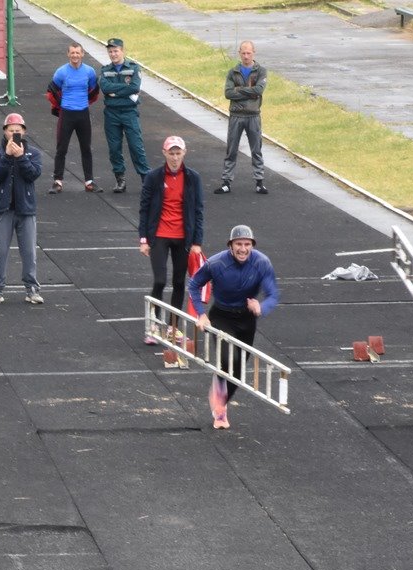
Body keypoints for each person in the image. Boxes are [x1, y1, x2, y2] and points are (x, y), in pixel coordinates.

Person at [188, 225, 279, 430]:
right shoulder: (216, 263)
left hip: (246, 319)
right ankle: (219, 411)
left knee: (237, 371)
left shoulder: (261, 263)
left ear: (252, 246)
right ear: (230, 245)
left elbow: (273, 294)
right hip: (221, 316)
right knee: (230, 359)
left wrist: (260, 306)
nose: (243, 249)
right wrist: (201, 313)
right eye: (239, 244)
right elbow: (194, 284)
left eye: (247, 244)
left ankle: (221, 402)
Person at [139, 136, 204, 345]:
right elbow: (144, 208)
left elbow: (198, 211)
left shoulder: (193, 178)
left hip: (183, 238)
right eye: (171, 153)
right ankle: (154, 324)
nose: (175, 158)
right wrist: (143, 239)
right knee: (159, 280)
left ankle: (174, 327)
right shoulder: (153, 177)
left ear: (184, 153)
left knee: (178, 282)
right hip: (159, 235)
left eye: (178, 153)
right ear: (164, 153)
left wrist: (197, 242)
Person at [0, 112, 44, 305]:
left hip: (26, 209)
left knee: (29, 251)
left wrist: (20, 158)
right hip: (4, 209)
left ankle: (32, 288)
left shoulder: (33, 153)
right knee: (0, 250)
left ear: (24, 131)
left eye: (17, 131)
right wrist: (7, 157)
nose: (14, 134)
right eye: (11, 130)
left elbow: (33, 174)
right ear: (5, 132)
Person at [46, 43, 102, 194]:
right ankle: (58, 182)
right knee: (61, 148)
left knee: (86, 148)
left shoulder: (89, 72)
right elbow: (51, 91)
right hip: (67, 114)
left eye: (78, 53)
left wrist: (83, 103)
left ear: (82, 54)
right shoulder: (61, 72)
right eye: (72, 53)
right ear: (68, 54)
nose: (75, 55)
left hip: (83, 113)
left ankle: (89, 182)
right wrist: (61, 106)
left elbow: (94, 91)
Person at [215, 41, 268, 195]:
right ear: (239, 53)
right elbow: (228, 93)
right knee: (231, 149)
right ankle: (226, 182)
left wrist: (239, 89)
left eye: (249, 53)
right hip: (236, 116)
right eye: (243, 53)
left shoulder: (261, 71)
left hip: (253, 116)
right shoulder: (233, 72)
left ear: (254, 53)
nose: (246, 56)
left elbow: (259, 90)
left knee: (256, 149)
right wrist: (249, 91)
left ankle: (259, 182)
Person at [99, 38, 150, 193]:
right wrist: (124, 88)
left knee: (136, 146)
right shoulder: (105, 70)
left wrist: (116, 92)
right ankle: (120, 179)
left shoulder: (133, 68)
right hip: (112, 113)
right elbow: (105, 88)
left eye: (115, 51)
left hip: (129, 112)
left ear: (122, 51)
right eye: (110, 51)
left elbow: (134, 87)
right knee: (114, 148)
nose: (113, 54)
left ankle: (146, 179)